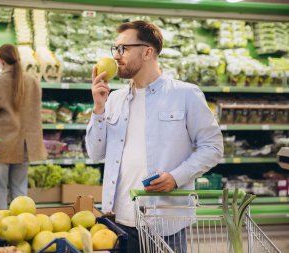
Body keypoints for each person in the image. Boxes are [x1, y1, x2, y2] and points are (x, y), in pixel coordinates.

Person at [85, 20, 223, 253]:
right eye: (115, 49)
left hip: (165, 224)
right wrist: (98, 109)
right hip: (117, 221)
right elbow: (96, 153)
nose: (117, 56)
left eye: (124, 49)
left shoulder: (185, 94)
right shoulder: (114, 98)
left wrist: (176, 177)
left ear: (148, 51)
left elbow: (213, 147)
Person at [0, 44, 47, 210]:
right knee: (20, 193)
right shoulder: (33, 82)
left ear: (1, 61)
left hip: (0, 146)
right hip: (25, 144)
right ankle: (23, 226)